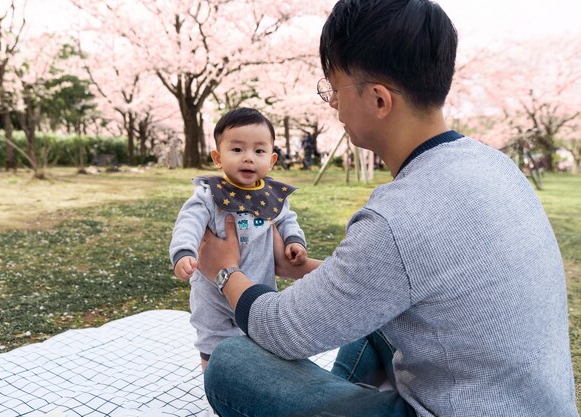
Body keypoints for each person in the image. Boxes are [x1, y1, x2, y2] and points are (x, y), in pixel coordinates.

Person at [195, 1, 579, 416]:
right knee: (371, 317)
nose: (332, 106)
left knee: (232, 362)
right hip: (529, 402)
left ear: (379, 100)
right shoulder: (495, 165)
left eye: (334, 90)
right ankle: (338, 393)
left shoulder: (399, 217)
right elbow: (406, 278)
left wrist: (224, 270)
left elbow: (282, 330)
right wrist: (305, 269)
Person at [169, 107, 307, 371]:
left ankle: (250, 381)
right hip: (212, 293)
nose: (248, 158)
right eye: (237, 150)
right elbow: (189, 222)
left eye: (259, 151)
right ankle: (214, 385)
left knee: (258, 339)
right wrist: (184, 252)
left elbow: (287, 219)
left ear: (273, 159)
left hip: (258, 285)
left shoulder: (272, 196)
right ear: (217, 157)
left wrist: (294, 241)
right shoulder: (209, 194)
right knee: (213, 342)